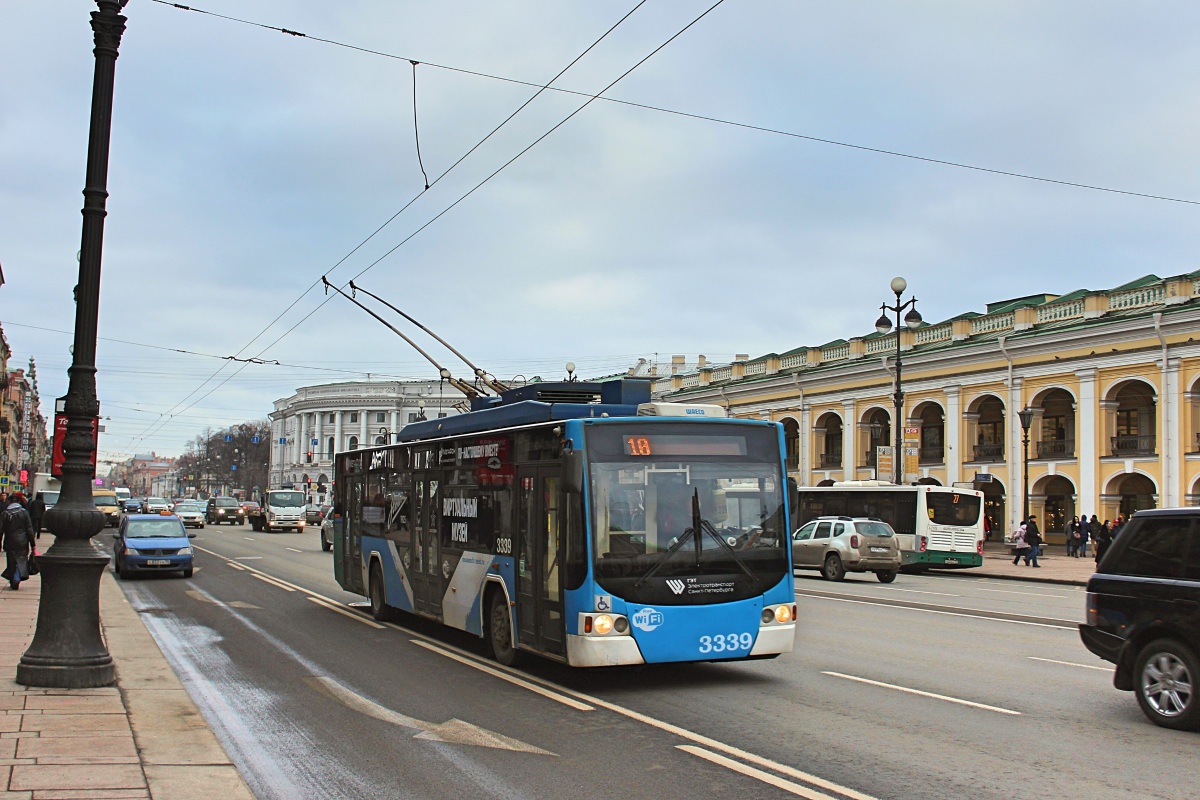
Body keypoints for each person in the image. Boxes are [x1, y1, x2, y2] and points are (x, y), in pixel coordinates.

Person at [1, 493, 34, 591]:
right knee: (21, 560)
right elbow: (29, 529)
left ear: (10, 502)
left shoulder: (5, 513)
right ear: (19, 502)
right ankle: (16, 577)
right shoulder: (24, 513)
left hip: (9, 541)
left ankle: (13, 579)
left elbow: (0, 529)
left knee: (11, 561)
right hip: (23, 541)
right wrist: (33, 544)